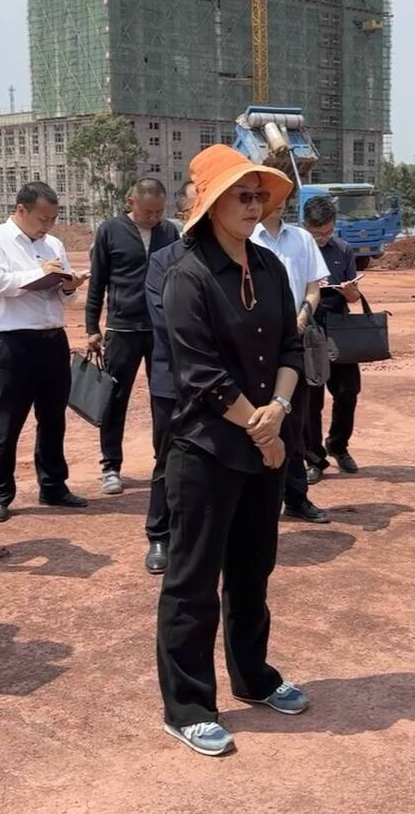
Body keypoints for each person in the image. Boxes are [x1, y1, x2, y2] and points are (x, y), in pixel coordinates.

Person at [157, 144, 309, 757]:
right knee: (192, 582)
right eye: (242, 196)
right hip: (208, 449)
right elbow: (201, 375)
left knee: (252, 571)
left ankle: (254, 676)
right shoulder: (187, 275)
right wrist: (262, 428)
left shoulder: (268, 266)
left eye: (258, 196)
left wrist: (280, 411)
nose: (254, 205)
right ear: (211, 203)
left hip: (264, 441)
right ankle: (188, 706)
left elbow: (292, 348)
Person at [0, 182, 89, 522]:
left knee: (53, 419)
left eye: (53, 219)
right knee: (7, 421)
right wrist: (39, 274)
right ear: (21, 210)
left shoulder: (53, 244)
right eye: (43, 219)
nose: (48, 226)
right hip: (14, 343)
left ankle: (53, 485)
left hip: (53, 340)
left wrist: (69, 286)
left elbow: (67, 299)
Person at [85, 178, 180, 496]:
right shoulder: (110, 231)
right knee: (114, 400)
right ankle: (111, 466)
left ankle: (163, 462)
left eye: (159, 211)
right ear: (131, 203)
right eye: (148, 211)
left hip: (161, 331)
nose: (154, 217)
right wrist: (92, 327)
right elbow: (97, 282)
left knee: (164, 399)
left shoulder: (169, 232)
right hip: (122, 328)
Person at [252, 193, 331, 523]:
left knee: (294, 422)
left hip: (293, 340)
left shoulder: (302, 239)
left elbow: (314, 288)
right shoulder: (246, 237)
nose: (280, 202)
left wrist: (301, 317)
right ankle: (257, 504)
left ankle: (296, 497)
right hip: (255, 343)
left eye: (285, 196)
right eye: (271, 195)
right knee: (256, 420)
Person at [142, 180, 198, 575]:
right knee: (167, 460)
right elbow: (166, 320)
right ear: (183, 215)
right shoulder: (163, 260)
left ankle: (205, 533)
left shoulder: (235, 257)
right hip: (172, 378)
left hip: (225, 382)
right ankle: (159, 535)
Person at [300, 196, 363, 483]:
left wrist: (349, 291)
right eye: (317, 233)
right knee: (311, 400)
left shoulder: (343, 250)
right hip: (308, 329)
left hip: (340, 328)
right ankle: (313, 458)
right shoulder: (299, 250)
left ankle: (338, 445)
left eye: (328, 232)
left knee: (348, 392)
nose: (323, 238)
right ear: (306, 225)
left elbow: (354, 297)